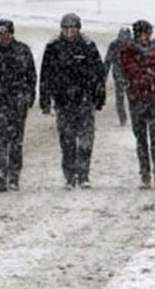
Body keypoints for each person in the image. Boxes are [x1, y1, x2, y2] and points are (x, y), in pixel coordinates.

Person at [39, 12, 105, 189]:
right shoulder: (53, 47)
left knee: (85, 141)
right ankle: (69, 175)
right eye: (66, 28)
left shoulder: (88, 46)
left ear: (78, 29)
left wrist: (98, 97)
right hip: (63, 101)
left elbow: (99, 73)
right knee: (67, 140)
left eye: (73, 28)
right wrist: (44, 99)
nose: (69, 32)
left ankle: (83, 175)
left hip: (85, 100)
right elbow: (45, 75)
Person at [0, 19, 37, 192]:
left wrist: (29, 96)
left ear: (12, 34)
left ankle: (14, 176)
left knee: (16, 141)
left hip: (17, 102)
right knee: (0, 140)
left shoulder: (23, 51)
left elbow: (31, 75)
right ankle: (0, 172)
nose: (3, 38)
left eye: (6, 34)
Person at [120, 20, 155, 189]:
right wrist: (148, 72)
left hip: (153, 98)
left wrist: (148, 73)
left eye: (148, 34)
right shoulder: (128, 51)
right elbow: (130, 71)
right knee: (141, 139)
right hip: (137, 99)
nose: (146, 37)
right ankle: (145, 172)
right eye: (143, 34)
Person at [104, 27, 132, 125]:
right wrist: (103, 78)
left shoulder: (133, 45)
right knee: (119, 99)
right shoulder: (114, 45)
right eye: (122, 35)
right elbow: (108, 61)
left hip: (131, 76)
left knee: (133, 98)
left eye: (125, 35)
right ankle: (122, 118)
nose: (123, 38)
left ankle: (135, 117)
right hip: (118, 75)